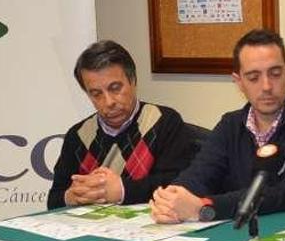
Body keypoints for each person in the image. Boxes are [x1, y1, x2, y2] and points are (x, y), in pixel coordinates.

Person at [150, 29, 285, 223]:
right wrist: (171, 200)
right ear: (239, 82)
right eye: (253, 77)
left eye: (275, 74)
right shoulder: (230, 124)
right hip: (237, 234)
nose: (266, 86)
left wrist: (205, 206)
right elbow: (199, 175)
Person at [48, 40, 192, 209]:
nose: (108, 102)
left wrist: (122, 190)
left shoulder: (163, 122)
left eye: (115, 88)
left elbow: (178, 185)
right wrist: (71, 196)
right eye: (96, 94)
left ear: (133, 80)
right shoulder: (79, 135)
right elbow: (54, 200)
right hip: (93, 229)